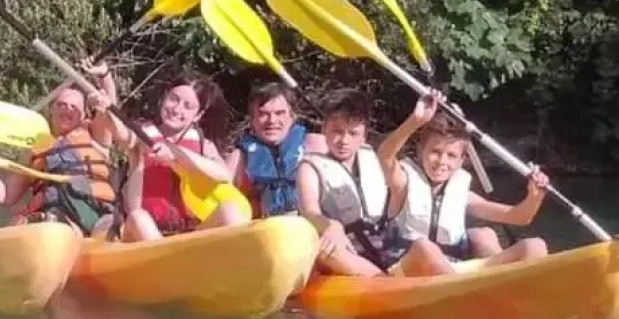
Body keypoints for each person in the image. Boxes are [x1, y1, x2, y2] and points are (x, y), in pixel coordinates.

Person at [377, 90, 550, 276]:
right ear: (420, 151)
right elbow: (385, 156)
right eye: (435, 151)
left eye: (451, 155)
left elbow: (519, 217)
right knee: (425, 248)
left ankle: (499, 290)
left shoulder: (462, 194)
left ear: (461, 161)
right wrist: (416, 120)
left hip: (452, 272)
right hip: (407, 271)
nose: (442, 161)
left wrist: (535, 196)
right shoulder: (403, 184)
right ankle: (474, 294)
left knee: (535, 247)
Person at [102, 64, 250, 241]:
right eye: (174, 99)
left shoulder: (204, 144)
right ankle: (163, 259)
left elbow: (223, 175)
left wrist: (176, 156)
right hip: (143, 233)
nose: (177, 109)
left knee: (231, 211)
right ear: (165, 98)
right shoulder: (142, 134)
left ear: (197, 116)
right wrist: (106, 83)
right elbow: (121, 132)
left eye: (188, 106)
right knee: (138, 218)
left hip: (187, 233)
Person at [0, 61, 119, 237]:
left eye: (74, 107)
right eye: (61, 104)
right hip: (53, 218)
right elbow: (7, 196)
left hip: (95, 211)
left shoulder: (95, 134)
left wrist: (104, 75)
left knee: (108, 226)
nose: (66, 109)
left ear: (84, 115)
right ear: (51, 110)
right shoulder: (35, 146)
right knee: (21, 223)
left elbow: (109, 107)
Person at [295, 89, 402, 276]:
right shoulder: (309, 167)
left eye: (353, 133)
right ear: (324, 129)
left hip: (386, 246)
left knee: (421, 245)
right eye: (337, 131)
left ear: (364, 136)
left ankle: (390, 283)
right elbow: (309, 211)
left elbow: (402, 190)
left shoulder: (375, 157)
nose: (344, 140)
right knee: (325, 251)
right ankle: (387, 285)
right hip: (347, 250)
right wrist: (330, 225)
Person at [225, 81, 312, 218]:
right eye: (263, 114)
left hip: (311, 228)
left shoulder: (315, 145)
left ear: (293, 115)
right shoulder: (238, 159)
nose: (272, 121)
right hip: (265, 232)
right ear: (252, 120)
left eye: (279, 113)